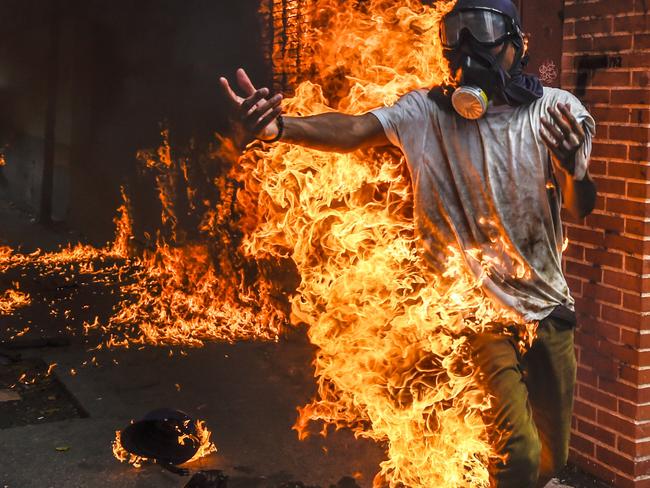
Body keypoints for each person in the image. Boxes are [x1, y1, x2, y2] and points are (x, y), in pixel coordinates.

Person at [220, 0, 596, 486]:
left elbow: (580, 206)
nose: (466, 49)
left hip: (548, 309)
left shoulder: (556, 113)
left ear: (515, 44)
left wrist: (575, 170)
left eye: (480, 30)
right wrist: (280, 128)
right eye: (455, 33)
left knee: (552, 459)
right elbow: (352, 129)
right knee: (519, 459)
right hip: (478, 314)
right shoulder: (426, 112)